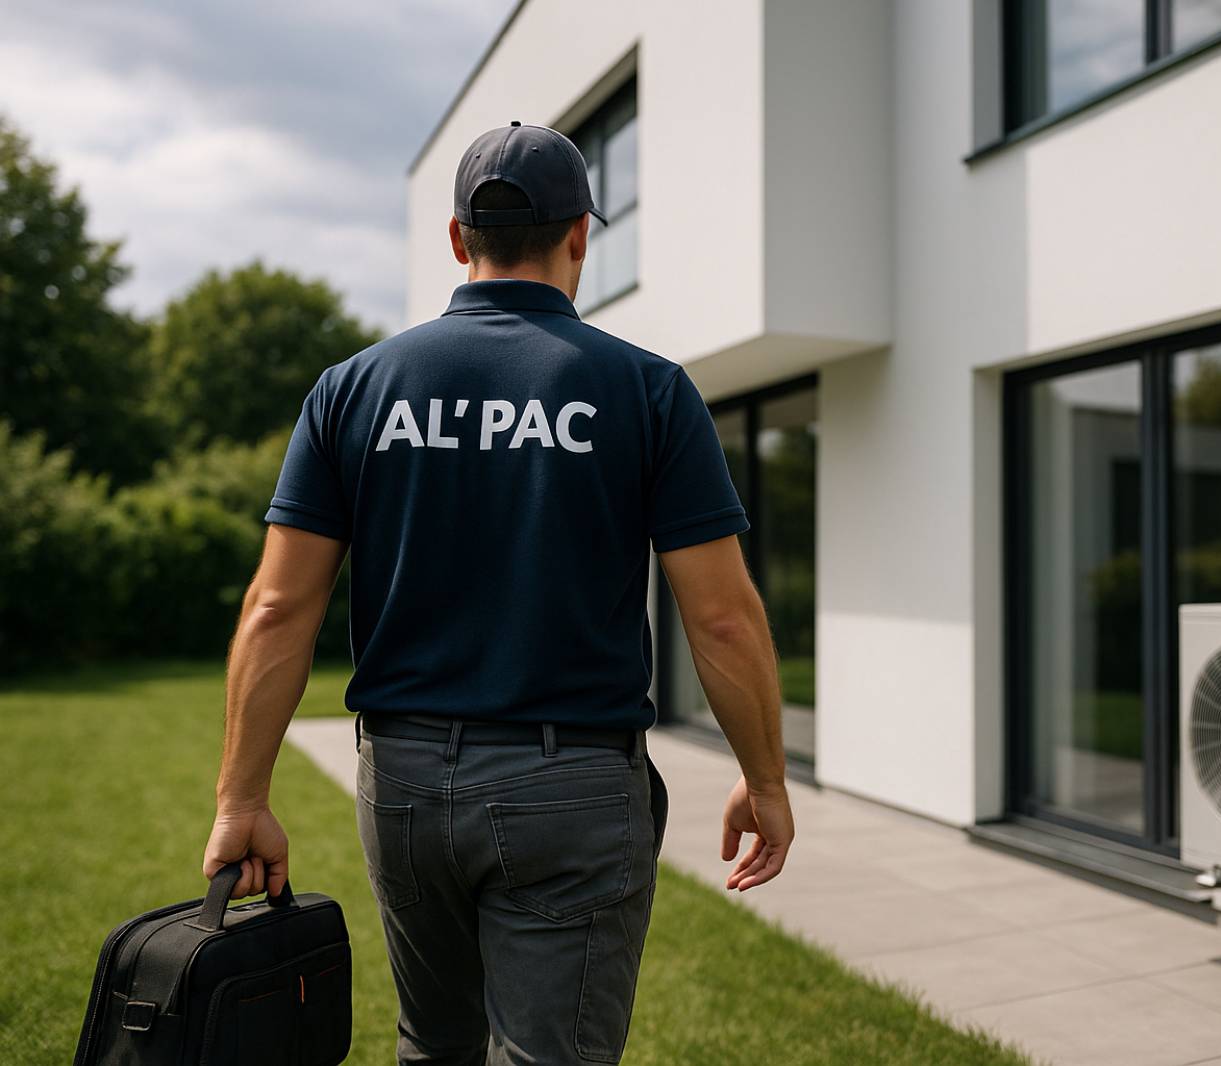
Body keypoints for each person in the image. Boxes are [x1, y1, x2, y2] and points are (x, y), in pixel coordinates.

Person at [202, 121, 795, 1065]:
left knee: (432, 1046)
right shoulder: (646, 390)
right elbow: (720, 615)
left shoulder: (352, 389)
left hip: (399, 783)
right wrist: (765, 778)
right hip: (571, 789)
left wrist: (241, 797)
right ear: (579, 240)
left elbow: (277, 609)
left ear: (455, 239)